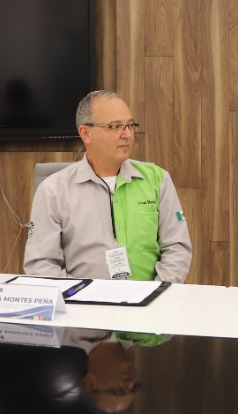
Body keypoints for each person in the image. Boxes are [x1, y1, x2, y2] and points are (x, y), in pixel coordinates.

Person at [24, 90, 192, 282]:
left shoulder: (158, 179)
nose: (127, 135)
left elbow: (177, 248)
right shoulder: (53, 191)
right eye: (114, 126)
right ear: (85, 133)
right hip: (83, 299)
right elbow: (41, 264)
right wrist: (80, 297)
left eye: (130, 125)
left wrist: (157, 293)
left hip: (150, 298)